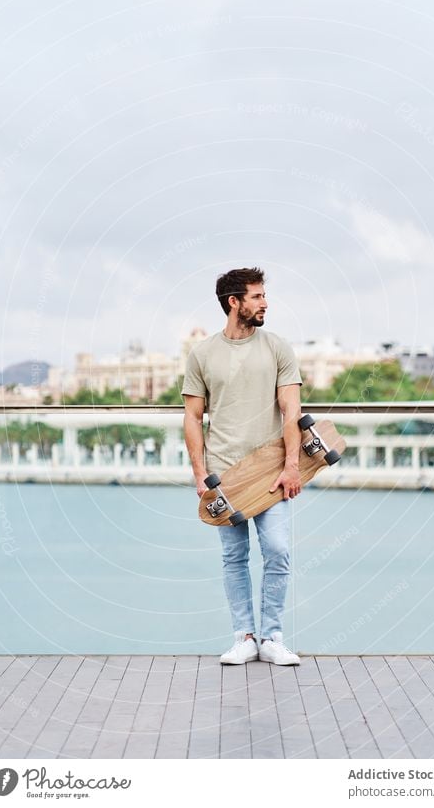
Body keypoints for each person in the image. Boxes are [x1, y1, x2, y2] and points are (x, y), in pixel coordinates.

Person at [182, 267, 302, 666]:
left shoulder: (278, 348)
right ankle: (244, 637)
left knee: (278, 551)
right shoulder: (202, 354)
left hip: (270, 473)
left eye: (264, 295)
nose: (265, 302)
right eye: (256, 296)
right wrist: (201, 474)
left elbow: (291, 410)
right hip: (225, 475)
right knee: (234, 558)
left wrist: (292, 466)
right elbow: (193, 418)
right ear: (234, 302)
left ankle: (272, 637)